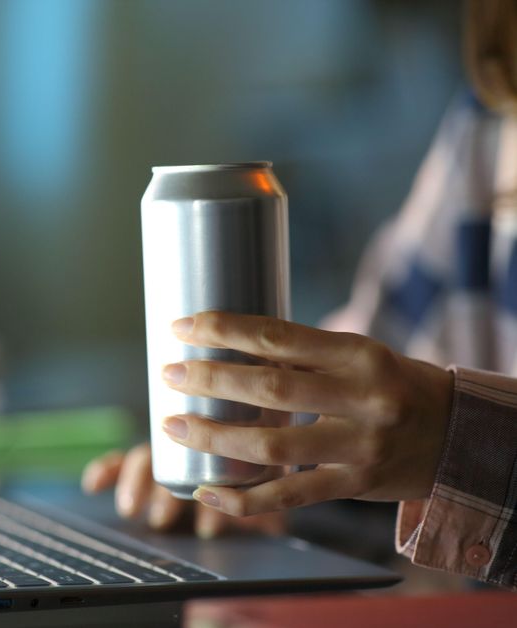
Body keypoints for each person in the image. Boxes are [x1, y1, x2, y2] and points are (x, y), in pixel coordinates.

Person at [83, 0, 517, 588]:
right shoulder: (490, 115)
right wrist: (256, 470)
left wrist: (468, 443)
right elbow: (378, 395)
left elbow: (434, 429)